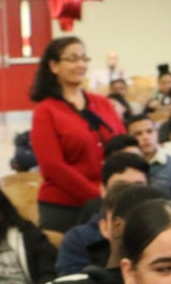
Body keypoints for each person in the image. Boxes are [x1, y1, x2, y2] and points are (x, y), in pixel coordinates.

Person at [28, 36, 125, 232]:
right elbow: (52, 167)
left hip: (112, 199)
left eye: (84, 58)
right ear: (54, 66)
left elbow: (124, 147)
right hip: (65, 206)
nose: (80, 64)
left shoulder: (103, 104)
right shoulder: (45, 111)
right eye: (72, 59)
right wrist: (97, 195)